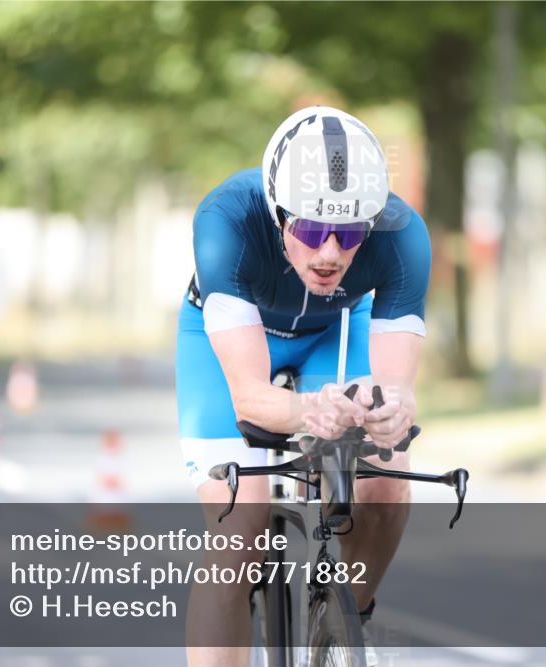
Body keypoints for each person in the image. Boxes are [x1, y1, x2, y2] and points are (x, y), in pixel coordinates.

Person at [177, 106, 431, 667]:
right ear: (277, 214)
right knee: (238, 529)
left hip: (333, 331)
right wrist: (309, 410)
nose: (330, 253)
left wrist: (389, 409)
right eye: (313, 230)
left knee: (386, 479)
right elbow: (250, 396)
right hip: (235, 339)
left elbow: (395, 387)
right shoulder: (227, 220)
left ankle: (339, 626)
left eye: (350, 232)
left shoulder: (403, 235)